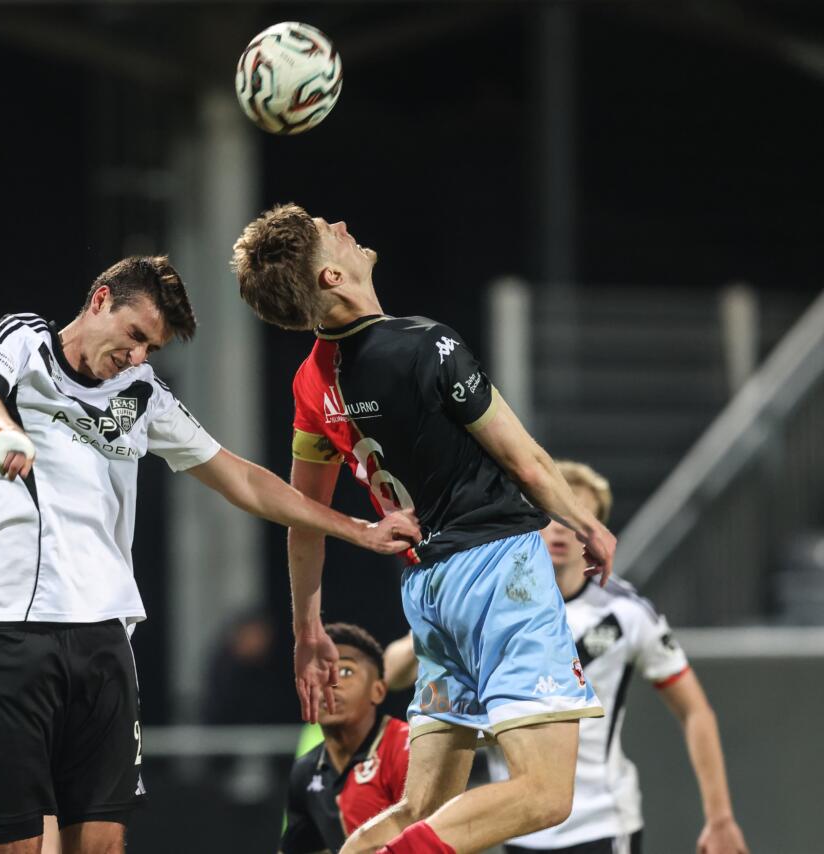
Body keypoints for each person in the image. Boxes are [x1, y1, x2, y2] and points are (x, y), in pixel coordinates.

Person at [0, 255, 420, 854]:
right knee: (14, 845)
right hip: (8, 630)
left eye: (151, 347)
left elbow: (243, 480)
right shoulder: (24, 340)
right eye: (134, 336)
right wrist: (8, 432)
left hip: (104, 635)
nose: (137, 356)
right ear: (100, 300)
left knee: (102, 844)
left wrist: (358, 528)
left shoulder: (142, 394)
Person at [231, 205, 618, 854]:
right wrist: (586, 524)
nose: (344, 228)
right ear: (330, 276)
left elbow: (304, 521)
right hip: (499, 573)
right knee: (546, 793)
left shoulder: (310, 384)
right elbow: (525, 460)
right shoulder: (425, 344)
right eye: (330, 233)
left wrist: (307, 630)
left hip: (428, 594)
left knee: (420, 806)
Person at [483, 461, 748, 854]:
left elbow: (695, 710)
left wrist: (720, 817)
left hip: (599, 823)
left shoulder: (625, 613)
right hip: (517, 825)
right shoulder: (486, 604)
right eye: (549, 513)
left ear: (597, 532)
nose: (560, 528)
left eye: (575, 517)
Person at [281, 623, 411, 854]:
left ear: (378, 691)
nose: (330, 684)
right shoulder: (306, 770)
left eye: (346, 672)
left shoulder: (406, 749)